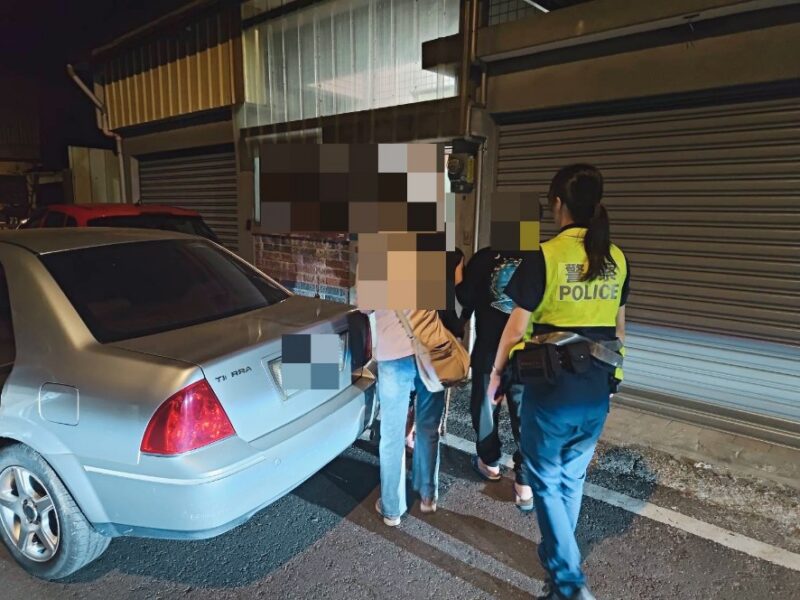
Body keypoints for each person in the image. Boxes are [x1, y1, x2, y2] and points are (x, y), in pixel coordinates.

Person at [487, 164, 630, 600]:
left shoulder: (545, 256)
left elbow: (515, 328)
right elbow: (619, 329)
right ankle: (557, 574)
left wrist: (495, 376)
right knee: (571, 479)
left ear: (557, 204)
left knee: (546, 480)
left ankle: (570, 583)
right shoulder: (617, 258)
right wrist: (614, 378)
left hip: (551, 389)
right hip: (597, 389)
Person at [456, 243, 533, 509]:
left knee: (485, 409)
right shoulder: (540, 257)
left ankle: (489, 463)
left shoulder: (484, 258)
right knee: (525, 415)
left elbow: (466, 298)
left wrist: (458, 270)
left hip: (489, 349)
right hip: (528, 353)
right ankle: (524, 481)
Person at [373, 309, 446, 526]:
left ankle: (392, 509)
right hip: (430, 351)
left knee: (392, 435)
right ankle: (427, 496)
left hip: (393, 354)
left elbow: (365, 307)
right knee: (428, 429)